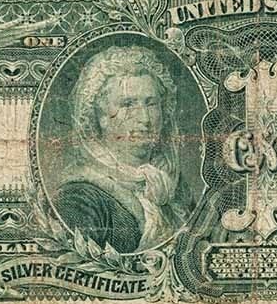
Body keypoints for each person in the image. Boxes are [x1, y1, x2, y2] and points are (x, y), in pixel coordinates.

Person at [54, 45, 194, 252]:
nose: (145, 118)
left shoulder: (174, 185)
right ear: (101, 116)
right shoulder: (78, 198)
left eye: (151, 103)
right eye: (128, 104)